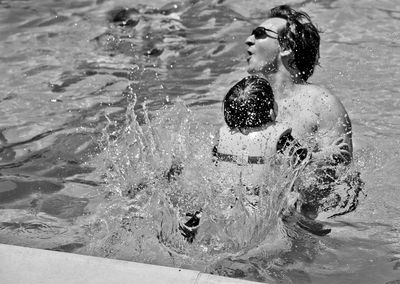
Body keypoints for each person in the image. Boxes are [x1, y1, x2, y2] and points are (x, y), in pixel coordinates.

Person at [245, 5, 352, 166]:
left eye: (259, 33)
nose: (248, 39)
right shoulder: (248, 101)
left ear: (286, 47)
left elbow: (341, 179)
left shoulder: (323, 105)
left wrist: (301, 159)